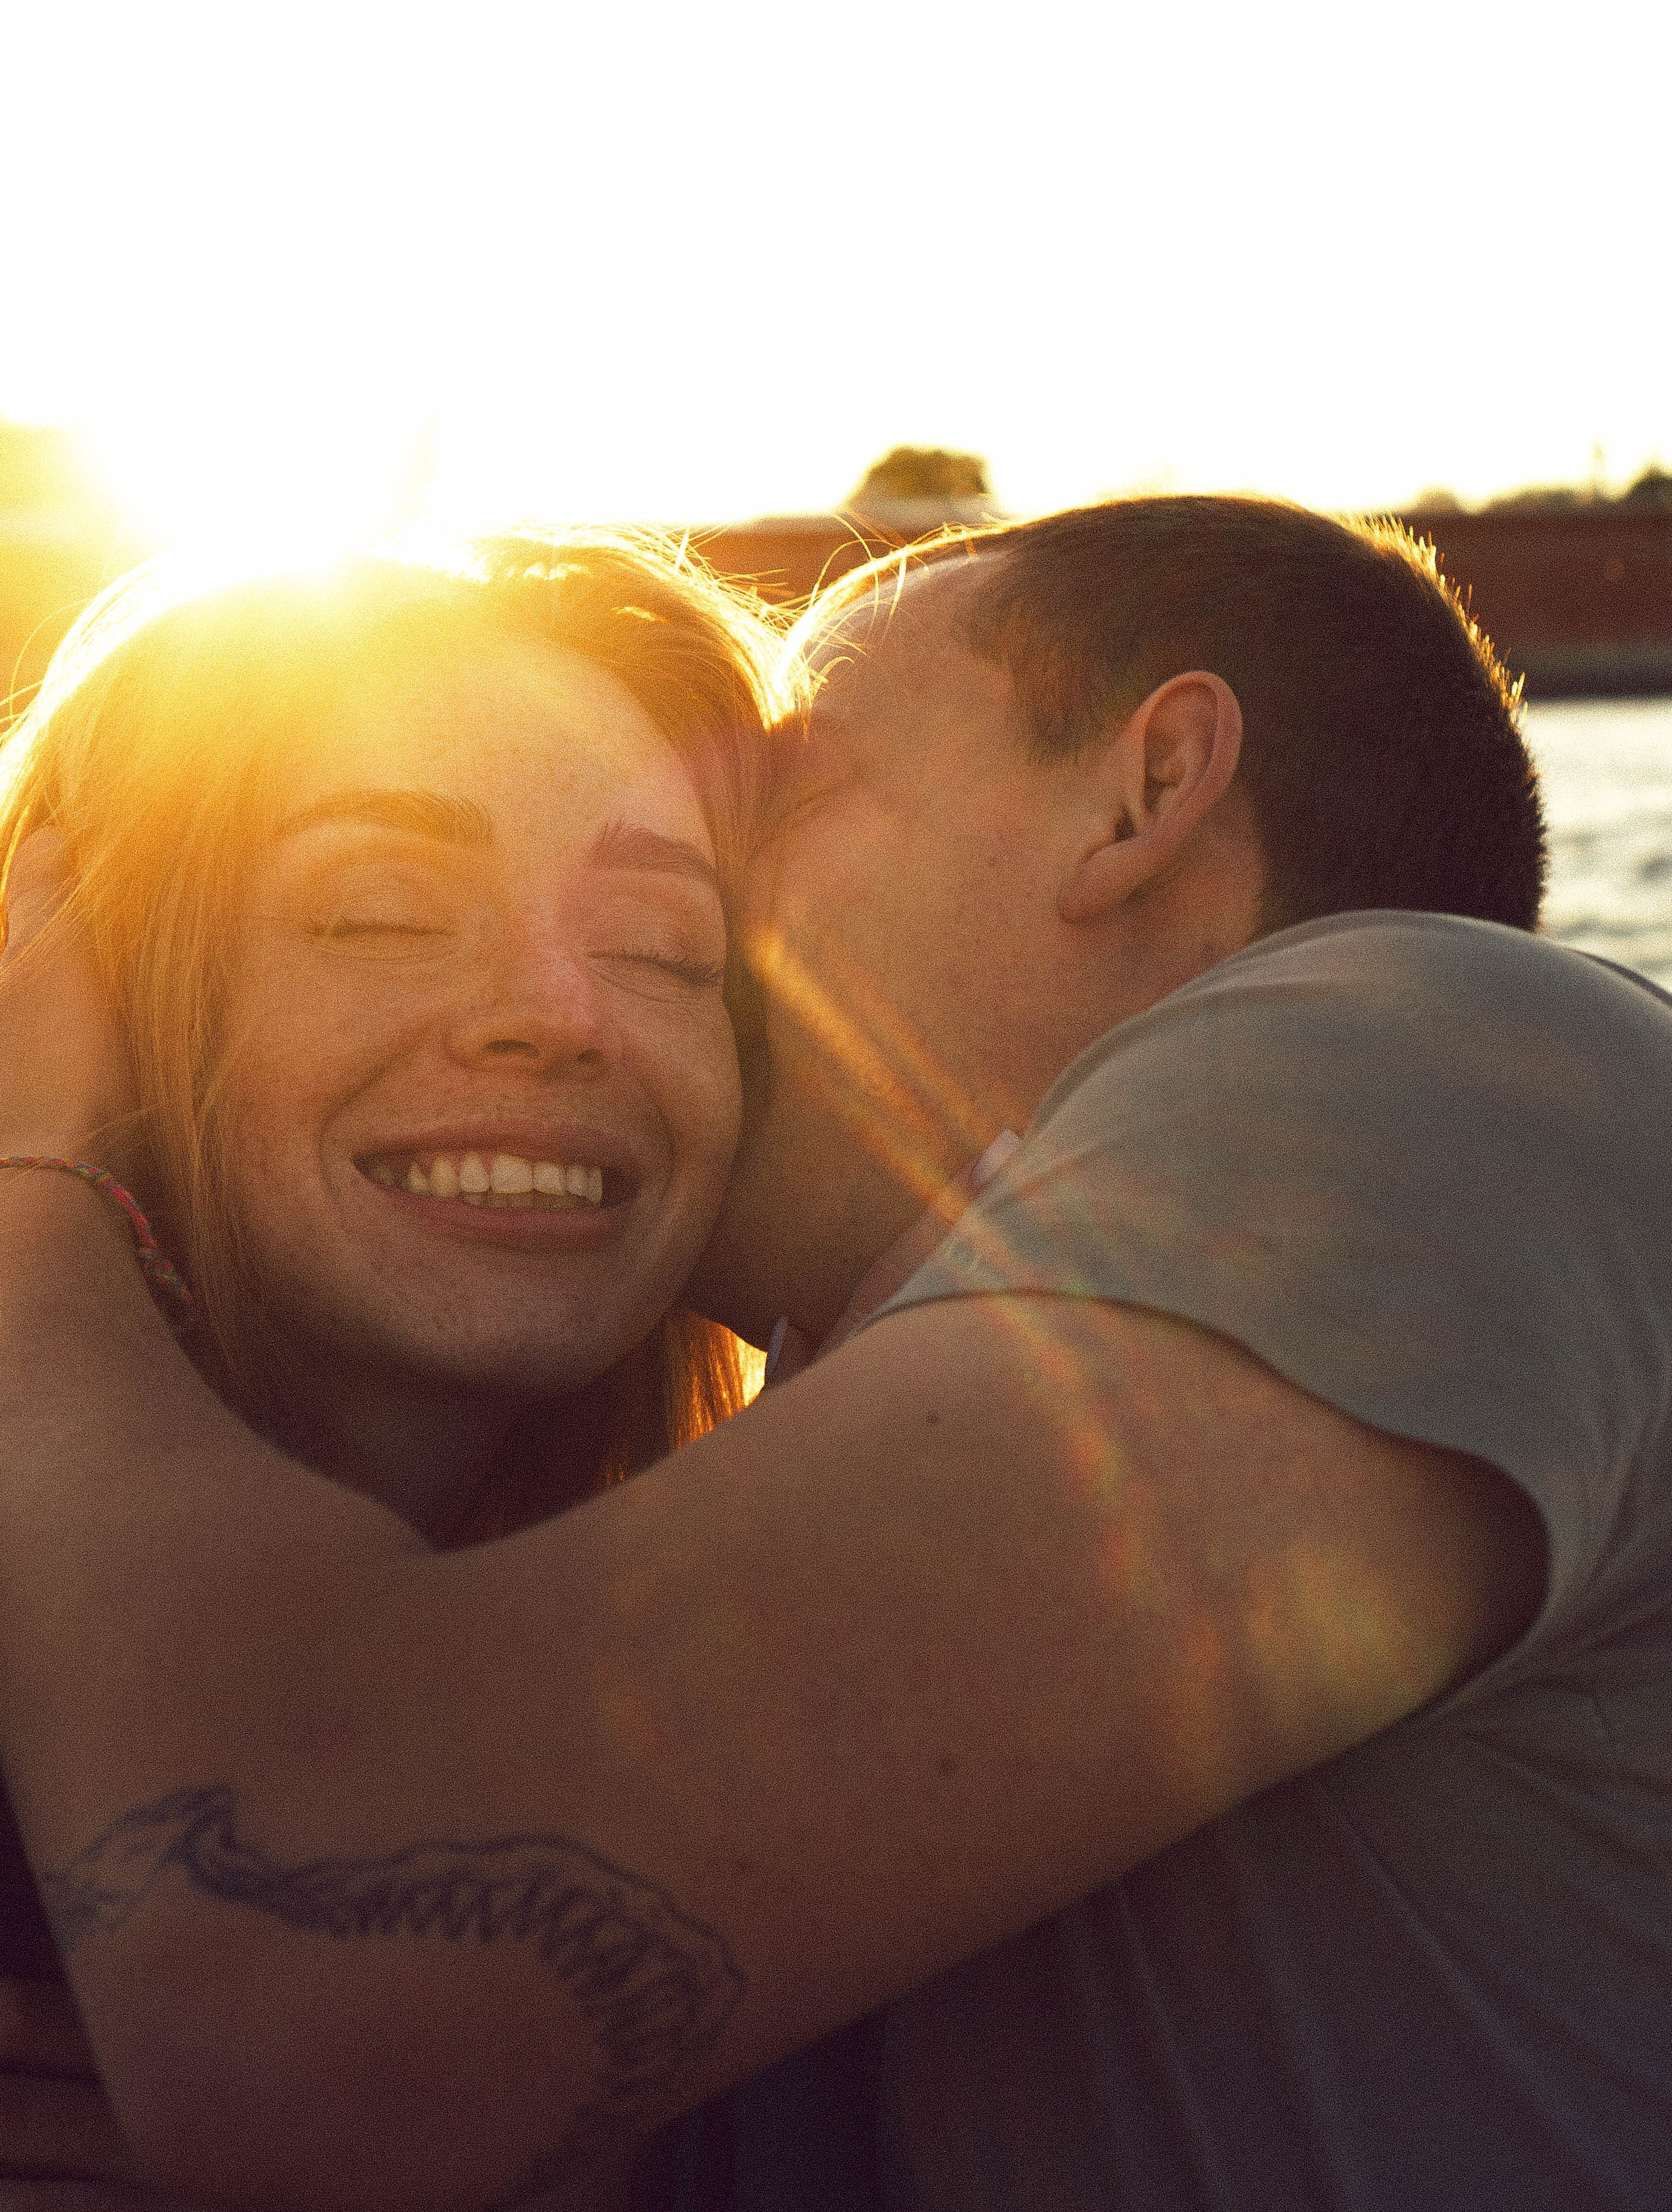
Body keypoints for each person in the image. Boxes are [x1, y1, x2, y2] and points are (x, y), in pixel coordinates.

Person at [2, 495, 1671, 2211]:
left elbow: (331, 2018)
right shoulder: (761, 1536)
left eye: (770, 810)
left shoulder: (1428, 1069)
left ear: (1146, 794)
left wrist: (34, 1185)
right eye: (376, 913)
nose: (595, 1002)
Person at [0, 525, 783, 2202]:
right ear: (84, 1002)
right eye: (376, 913)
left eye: (665, 949)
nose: (557, 1011)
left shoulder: (818, 1724)